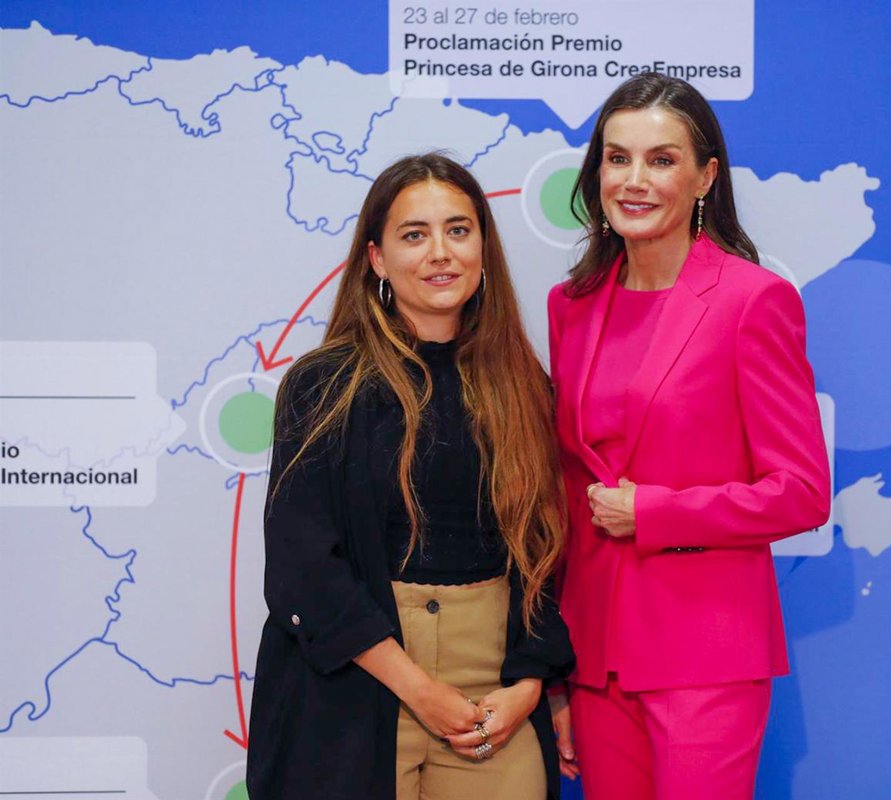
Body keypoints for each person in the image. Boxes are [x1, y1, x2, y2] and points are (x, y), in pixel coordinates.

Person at [247, 153, 574, 800]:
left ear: (483, 248)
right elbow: (301, 566)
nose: (440, 253)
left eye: (458, 230)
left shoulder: (526, 387)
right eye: (414, 234)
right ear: (377, 258)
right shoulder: (324, 386)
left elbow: (545, 548)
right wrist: (419, 690)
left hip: (496, 698)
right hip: (357, 684)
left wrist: (533, 683)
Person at [546, 74, 832, 799]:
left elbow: (801, 493)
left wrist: (656, 512)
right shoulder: (571, 305)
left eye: (661, 160)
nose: (634, 180)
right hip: (596, 657)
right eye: (617, 158)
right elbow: (568, 489)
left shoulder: (752, 301)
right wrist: (555, 672)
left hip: (705, 651)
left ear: (705, 177)